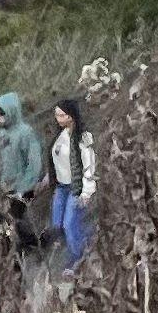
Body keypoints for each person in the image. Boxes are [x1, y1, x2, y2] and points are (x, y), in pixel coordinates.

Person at [0, 92, 51, 258]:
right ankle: (32, 243)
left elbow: (34, 162)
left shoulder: (26, 133)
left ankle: (34, 245)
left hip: (23, 186)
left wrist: (26, 186)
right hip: (7, 187)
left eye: (2, 113)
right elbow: (3, 160)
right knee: (12, 220)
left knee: (15, 218)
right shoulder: (3, 134)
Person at [48, 98, 98, 271]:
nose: (58, 118)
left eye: (61, 115)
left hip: (75, 187)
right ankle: (87, 238)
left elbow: (89, 166)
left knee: (69, 224)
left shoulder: (83, 138)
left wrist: (86, 192)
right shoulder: (60, 137)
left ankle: (78, 258)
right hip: (61, 187)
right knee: (57, 224)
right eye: (57, 115)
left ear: (70, 116)